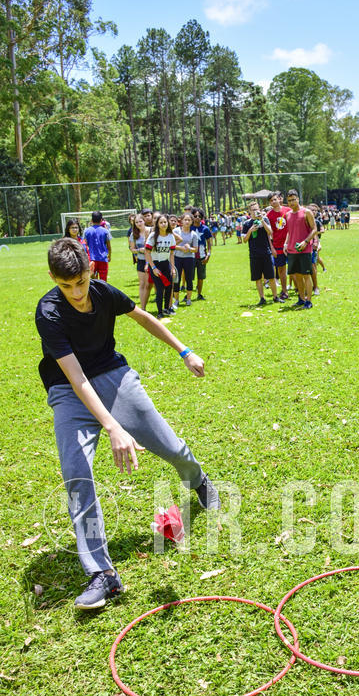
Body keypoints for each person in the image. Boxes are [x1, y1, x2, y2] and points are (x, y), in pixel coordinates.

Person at [35, 238, 220, 609]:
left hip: (114, 376)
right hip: (69, 391)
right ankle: (102, 574)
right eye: (65, 285)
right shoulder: (49, 312)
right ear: (54, 279)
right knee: (76, 474)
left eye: (81, 282)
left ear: (90, 270)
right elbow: (76, 378)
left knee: (169, 445)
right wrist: (111, 426)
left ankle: (197, 479)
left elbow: (144, 318)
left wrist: (185, 351)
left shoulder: (104, 292)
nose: (75, 292)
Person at [242, 201, 281, 306]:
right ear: (249, 211)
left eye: (257, 209)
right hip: (254, 254)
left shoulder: (265, 219)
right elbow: (244, 240)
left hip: (266, 252)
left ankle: (275, 297)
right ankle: (262, 298)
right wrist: (250, 230)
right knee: (257, 278)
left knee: (271, 276)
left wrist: (262, 221)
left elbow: (270, 232)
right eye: (253, 210)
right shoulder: (246, 224)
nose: (256, 211)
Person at [283, 190, 317, 310]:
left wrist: (306, 242)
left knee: (306, 275)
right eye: (289, 200)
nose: (291, 202)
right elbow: (289, 231)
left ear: (298, 199)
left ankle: (309, 301)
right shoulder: (287, 214)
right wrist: (286, 243)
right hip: (292, 250)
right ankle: (301, 299)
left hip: (305, 250)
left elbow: (314, 229)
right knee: (297, 276)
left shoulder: (306, 212)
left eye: (293, 199)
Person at [144, 214, 176, 319]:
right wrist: (153, 267)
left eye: (165, 222)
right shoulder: (153, 236)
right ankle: (159, 312)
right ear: (157, 224)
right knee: (160, 288)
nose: (163, 224)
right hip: (155, 264)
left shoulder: (171, 236)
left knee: (169, 286)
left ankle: (167, 308)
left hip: (166, 264)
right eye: (161, 222)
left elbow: (171, 253)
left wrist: (172, 268)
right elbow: (147, 252)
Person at [267, 192, 290, 300]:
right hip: (277, 245)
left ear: (279, 199)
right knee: (281, 270)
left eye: (274, 199)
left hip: (290, 244)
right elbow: (268, 234)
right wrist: (271, 247)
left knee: (295, 269)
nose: (273, 202)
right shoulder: (269, 215)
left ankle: (300, 290)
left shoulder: (288, 211)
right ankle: (284, 291)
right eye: (271, 200)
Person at [173, 212, 197, 307]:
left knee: (189, 279)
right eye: (185, 220)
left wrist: (189, 248)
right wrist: (181, 248)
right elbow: (172, 245)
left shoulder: (193, 234)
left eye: (189, 220)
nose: (187, 222)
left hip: (189, 258)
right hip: (177, 257)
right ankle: (176, 300)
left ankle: (188, 299)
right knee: (176, 279)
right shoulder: (176, 231)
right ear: (181, 221)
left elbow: (195, 249)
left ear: (192, 222)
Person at [129, 213, 151, 310]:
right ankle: (143, 308)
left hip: (151, 260)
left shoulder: (150, 231)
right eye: (136, 222)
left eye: (140, 221)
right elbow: (132, 249)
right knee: (142, 284)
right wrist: (139, 250)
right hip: (141, 261)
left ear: (144, 221)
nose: (139, 224)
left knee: (149, 285)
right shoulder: (133, 234)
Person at [83, 211, 112, 281]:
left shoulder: (87, 231)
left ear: (91, 220)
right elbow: (109, 246)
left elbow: (85, 245)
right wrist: (109, 256)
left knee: (92, 280)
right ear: (101, 220)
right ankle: (103, 291)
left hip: (92, 259)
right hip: (103, 258)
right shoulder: (105, 231)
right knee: (103, 281)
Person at [192, 210, 212, 300]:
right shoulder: (189, 228)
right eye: (195, 216)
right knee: (189, 276)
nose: (197, 218)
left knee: (201, 276)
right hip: (190, 256)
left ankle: (199, 294)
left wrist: (209, 254)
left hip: (202, 255)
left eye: (199, 216)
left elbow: (209, 242)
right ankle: (188, 295)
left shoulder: (205, 229)